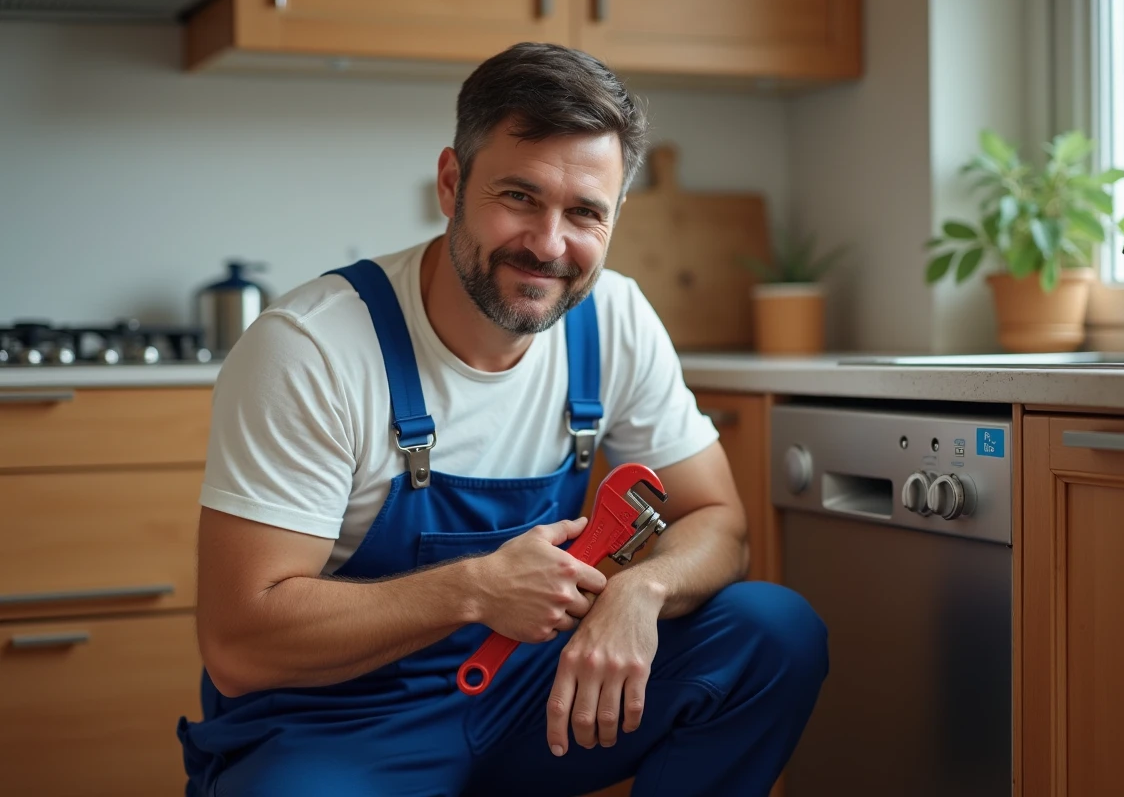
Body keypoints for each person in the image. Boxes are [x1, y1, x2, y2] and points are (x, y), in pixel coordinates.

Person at [177, 41, 828, 797]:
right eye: (519, 197)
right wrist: (476, 590)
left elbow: (718, 519)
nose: (549, 245)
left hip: (530, 694)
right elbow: (239, 643)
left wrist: (637, 595)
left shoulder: (612, 317)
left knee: (770, 634)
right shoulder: (312, 347)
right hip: (334, 721)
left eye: (584, 212)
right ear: (451, 183)